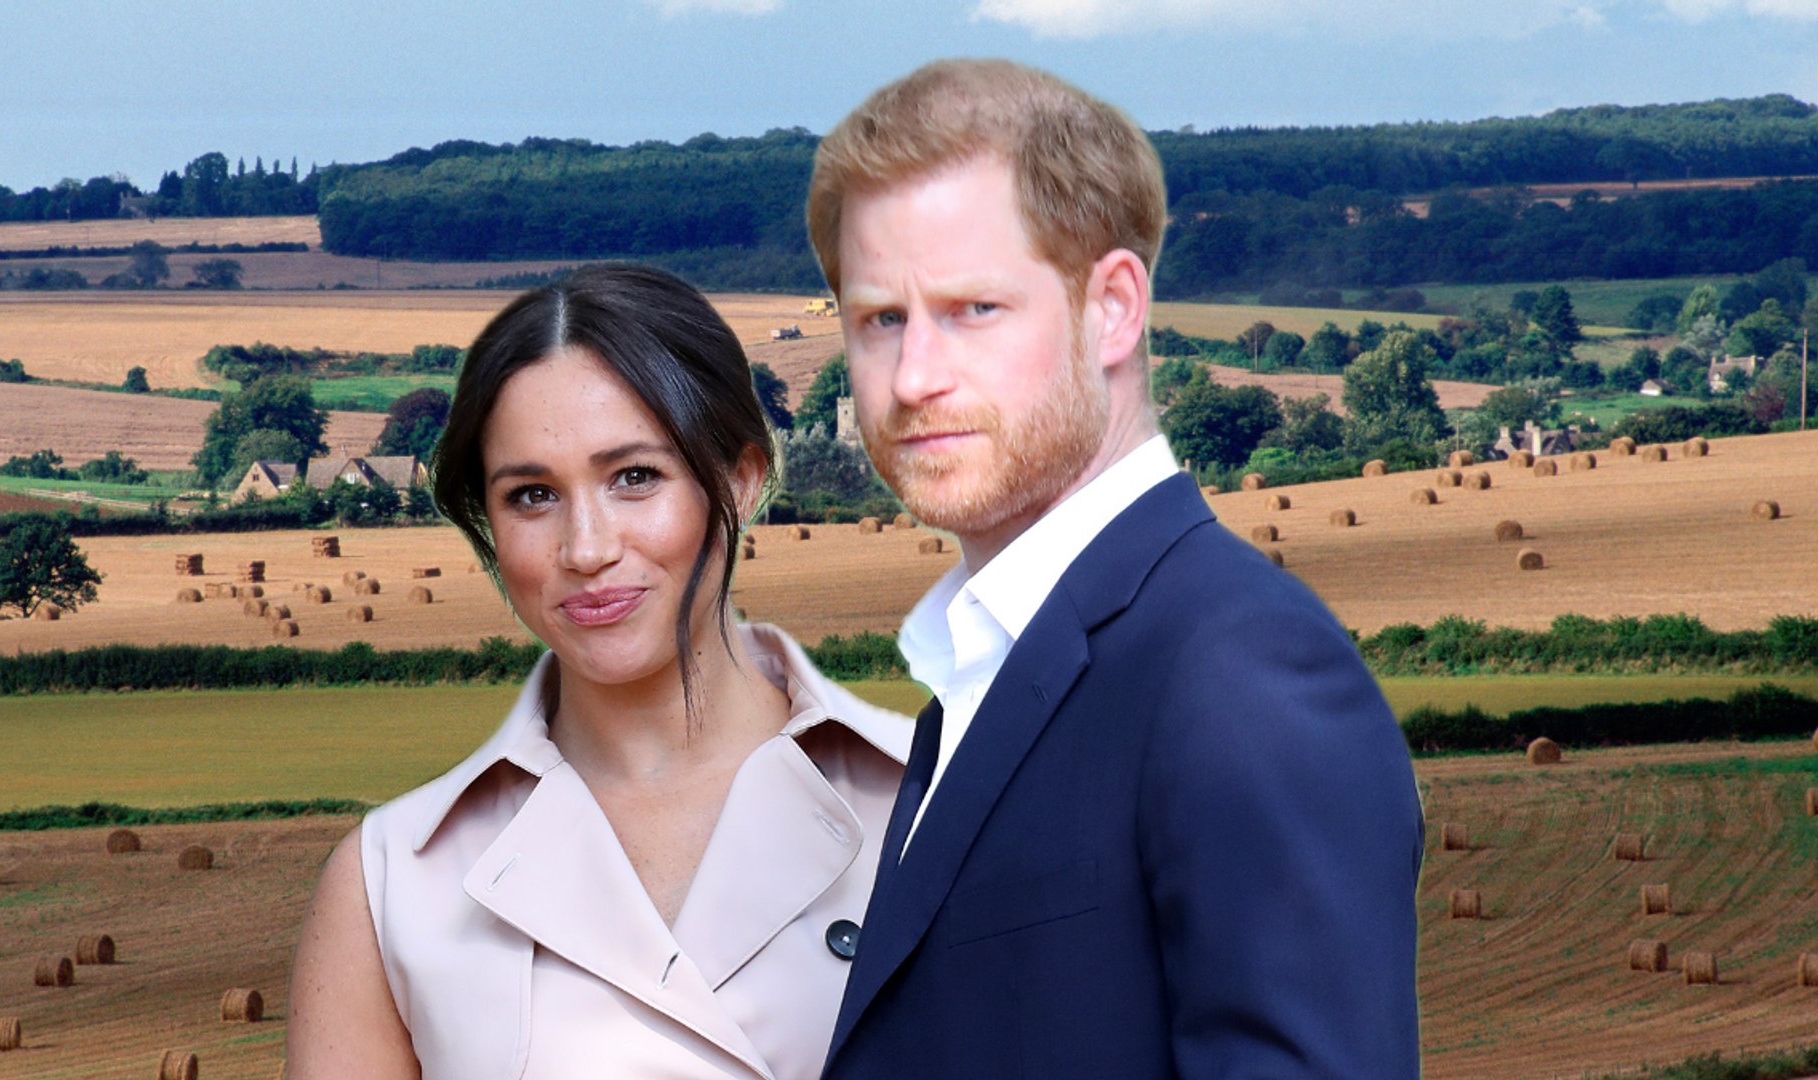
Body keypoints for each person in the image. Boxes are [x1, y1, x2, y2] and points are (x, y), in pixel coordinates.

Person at [806, 59, 1424, 1077]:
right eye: (881, 319)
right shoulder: (983, 668)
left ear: (1114, 309)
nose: (913, 377)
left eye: (973, 309)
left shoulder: (1238, 674)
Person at [286, 263, 909, 1079]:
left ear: (742, 479)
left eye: (635, 478)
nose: (586, 549)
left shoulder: (936, 805)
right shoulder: (389, 886)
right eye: (532, 496)